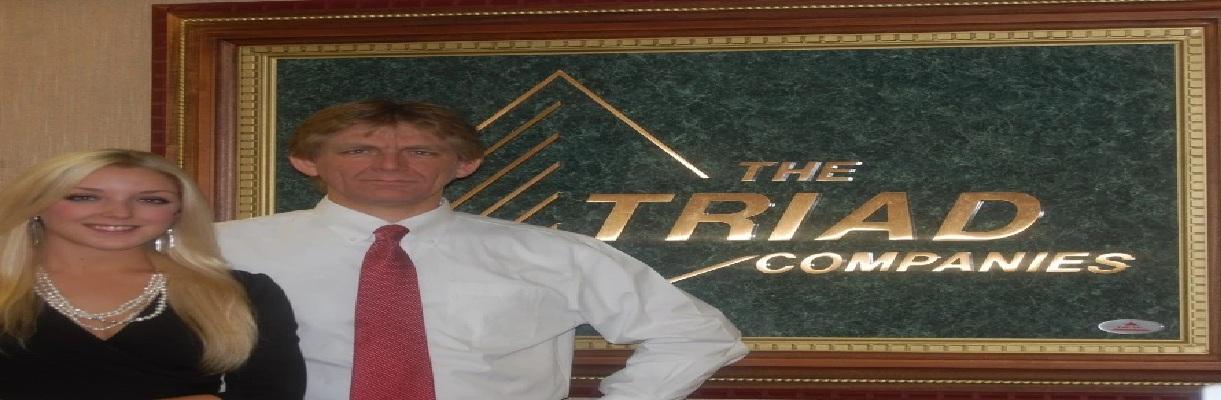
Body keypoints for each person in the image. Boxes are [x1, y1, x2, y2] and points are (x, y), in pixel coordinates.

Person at [216, 99, 749, 400]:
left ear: (464, 164)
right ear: (306, 161)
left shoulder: (553, 254)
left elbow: (696, 334)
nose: (390, 165)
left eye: (421, 151)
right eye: (359, 150)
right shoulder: (220, 247)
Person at [0, 149, 306, 399]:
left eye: (151, 200)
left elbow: (273, 394)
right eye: (84, 197)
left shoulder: (240, 292)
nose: (120, 213)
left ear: (178, 212)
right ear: (37, 204)